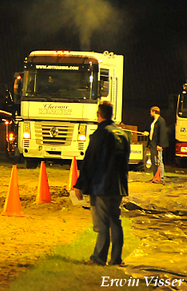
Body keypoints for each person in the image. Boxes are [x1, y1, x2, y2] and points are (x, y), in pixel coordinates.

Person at [74, 101, 130, 266]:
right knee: (116, 221)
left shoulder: (100, 134)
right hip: (119, 184)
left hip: (102, 184)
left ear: (99, 114)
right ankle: (116, 258)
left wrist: (80, 184)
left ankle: (99, 258)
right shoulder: (123, 134)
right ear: (111, 114)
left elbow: (90, 160)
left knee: (103, 222)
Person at [142, 106, 168, 183]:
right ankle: (155, 177)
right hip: (152, 143)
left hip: (157, 144)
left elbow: (162, 133)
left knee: (159, 161)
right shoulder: (154, 121)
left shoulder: (161, 121)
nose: (150, 113)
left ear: (154, 112)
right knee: (154, 161)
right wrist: (147, 132)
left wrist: (160, 144)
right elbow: (153, 131)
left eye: (151, 111)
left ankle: (161, 177)